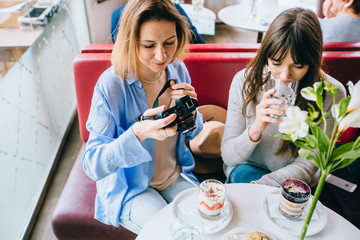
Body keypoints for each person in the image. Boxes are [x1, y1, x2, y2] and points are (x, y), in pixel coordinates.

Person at [82, 0, 203, 234]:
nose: (162, 55)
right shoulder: (110, 86)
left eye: (169, 42)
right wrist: (137, 133)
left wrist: (193, 113)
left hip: (176, 176)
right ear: (131, 42)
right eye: (149, 45)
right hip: (131, 189)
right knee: (169, 234)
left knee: (208, 226)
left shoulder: (178, 70)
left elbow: (194, 132)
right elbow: (92, 165)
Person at [220, 8, 346, 186]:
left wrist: (264, 187)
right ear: (266, 57)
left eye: (298, 65)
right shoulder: (245, 81)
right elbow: (229, 157)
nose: (285, 75)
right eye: (276, 63)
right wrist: (256, 128)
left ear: (313, 62)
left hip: (293, 178)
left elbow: (307, 165)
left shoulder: (332, 93)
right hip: (247, 168)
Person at [110, 2, 205, 44]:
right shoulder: (176, 9)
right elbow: (199, 44)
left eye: (169, 43)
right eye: (148, 46)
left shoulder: (116, 14)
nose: (161, 57)